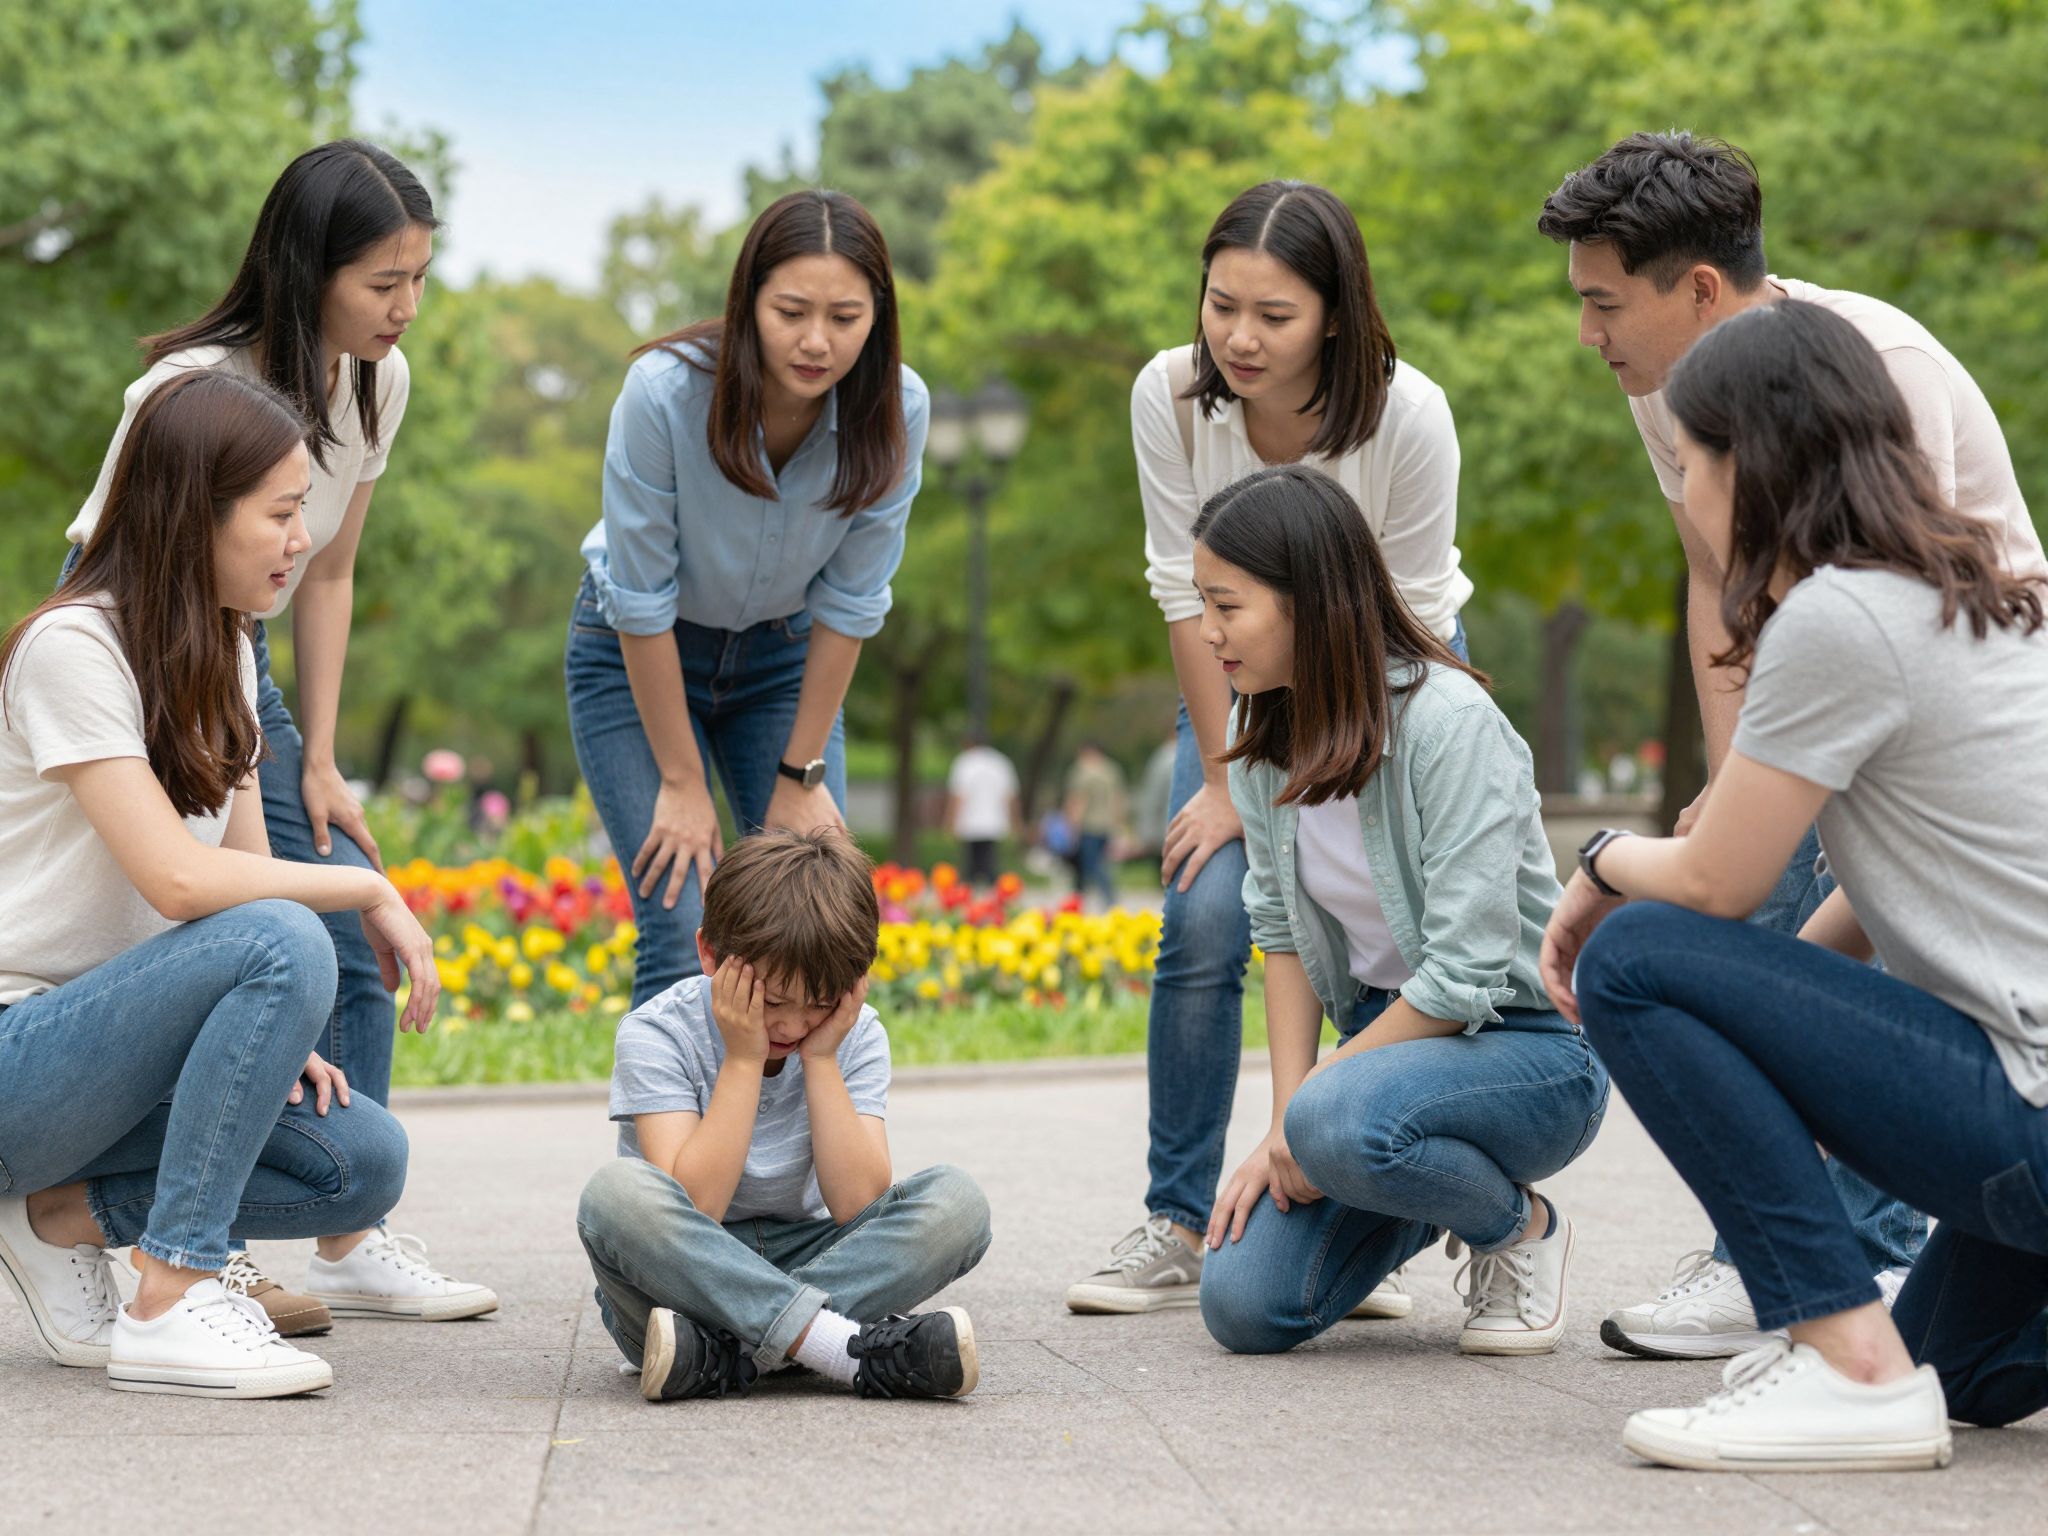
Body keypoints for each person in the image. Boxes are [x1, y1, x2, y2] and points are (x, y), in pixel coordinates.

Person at [1539, 130, 2046, 1357]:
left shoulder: (1857, 547)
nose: (1587, 333)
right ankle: (1880, 1317)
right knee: (1956, 1376)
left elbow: (1726, 878)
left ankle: (1838, 1339)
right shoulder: (1727, 412)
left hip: (2022, 1089)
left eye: (1602, 303)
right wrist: (1782, 1020)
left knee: (1643, 952)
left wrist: (1605, 862)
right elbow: (1717, 588)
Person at [63, 139, 493, 1330]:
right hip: (145, 642)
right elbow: (114, 566)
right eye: (383, 282)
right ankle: (206, 1243)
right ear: (310, 273)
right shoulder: (187, 387)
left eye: (419, 278)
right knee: (219, 919)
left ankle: (347, 1228)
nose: (406, 308)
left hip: (243, 656)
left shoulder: (377, 383)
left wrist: (322, 758)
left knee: (334, 927)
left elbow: (330, 572)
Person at [1069, 179, 1472, 1315]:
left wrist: (1337, 794)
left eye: (1274, 315)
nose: (1238, 339)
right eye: (1221, 306)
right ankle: (1176, 1217)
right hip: (1242, 688)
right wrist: (1224, 781)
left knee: (1380, 925)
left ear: (1335, 315)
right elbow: (1180, 590)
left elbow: (1416, 619)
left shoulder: (1408, 415)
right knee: (1205, 909)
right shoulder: (1169, 395)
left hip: (1398, 683)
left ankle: (1354, 1208)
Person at [0, 371, 440, 1398]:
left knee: (361, 1161)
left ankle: (55, 1216)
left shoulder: (228, 654)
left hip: (111, 1072)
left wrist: (265, 1038)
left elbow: (242, 884)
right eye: (280, 514)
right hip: (20, 1053)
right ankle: (173, 1295)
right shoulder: (73, 646)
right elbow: (180, 879)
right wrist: (369, 891)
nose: (303, 539)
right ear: (196, 512)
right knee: (286, 936)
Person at [1176, 465, 1606, 1358]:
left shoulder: (1449, 724)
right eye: (1201, 603)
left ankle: (1519, 1228)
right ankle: (1402, 1184)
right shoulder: (1260, 738)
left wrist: (1314, 1113)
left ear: (1308, 600)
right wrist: (1283, 1123)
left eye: (1226, 605)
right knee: (1244, 1308)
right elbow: (1281, 933)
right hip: (1381, 1060)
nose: (1206, 629)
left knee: (1334, 1122)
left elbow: (1465, 976)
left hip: (1529, 1049)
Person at [567, 189, 927, 1012]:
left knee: (817, 920)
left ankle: (805, 1101)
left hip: (782, 664)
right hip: (635, 655)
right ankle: (675, 1107)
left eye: (845, 317)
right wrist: (680, 780)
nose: (816, 341)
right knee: (680, 918)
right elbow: (641, 602)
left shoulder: (899, 408)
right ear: (748, 303)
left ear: (878, 316)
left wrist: (801, 771)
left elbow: (852, 601)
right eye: (791, 312)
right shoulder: (662, 394)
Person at [575, 828, 992, 1401]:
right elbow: (697, 1204)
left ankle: (728, 1356)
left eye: (818, 1005)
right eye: (770, 1002)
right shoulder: (656, 1033)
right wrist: (743, 1059)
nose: (793, 1026)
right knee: (615, 1196)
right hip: (688, 1274)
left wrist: (822, 1058)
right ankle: (843, 1348)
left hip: (804, 1259)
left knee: (958, 1204)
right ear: (709, 954)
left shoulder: (855, 1033)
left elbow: (858, 1203)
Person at [943, 733, 1019, 886]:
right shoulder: (1001, 762)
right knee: (990, 866)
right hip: (994, 822)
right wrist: (1015, 822)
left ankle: (968, 893)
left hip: (969, 822)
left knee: (969, 869)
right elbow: (1010, 796)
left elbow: (958, 796)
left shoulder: (965, 762)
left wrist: (949, 821)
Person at [1061, 741, 1127, 910]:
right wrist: (1119, 824)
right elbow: (1118, 799)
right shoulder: (1112, 770)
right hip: (1107, 824)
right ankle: (1080, 898)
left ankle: (1102, 898)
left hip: (1089, 825)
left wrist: (1072, 825)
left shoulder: (1082, 771)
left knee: (1090, 864)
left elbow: (1078, 800)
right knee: (1096, 863)